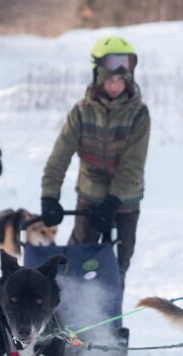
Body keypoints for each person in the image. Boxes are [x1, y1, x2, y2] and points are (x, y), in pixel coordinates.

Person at [40, 35, 150, 290]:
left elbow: (133, 163)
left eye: (121, 80)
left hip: (125, 202)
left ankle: (109, 316)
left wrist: (113, 201)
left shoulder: (139, 114)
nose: (116, 85)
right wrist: (49, 196)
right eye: (110, 79)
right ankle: (65, 310)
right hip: (89, 198)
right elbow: (59, 157)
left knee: (118, 264)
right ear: (99, 77)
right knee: (76, 260)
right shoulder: (81, 112)